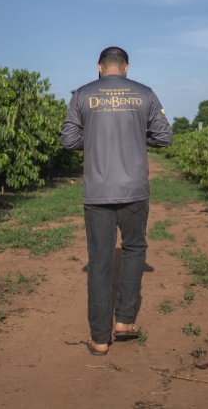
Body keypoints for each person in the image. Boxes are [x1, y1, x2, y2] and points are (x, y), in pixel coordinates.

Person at [60, 46, 173, 356]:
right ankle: (124, 321)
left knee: (99, 260)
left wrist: (93, 140)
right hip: (134, 189)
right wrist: (137, 137)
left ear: (99, 67)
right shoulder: (145, 93)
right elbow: (164, 137)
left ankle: (99, 339)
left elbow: (68, 139)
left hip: (97, 191)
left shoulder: (83, 94)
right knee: (134, 248)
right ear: (126, 67)